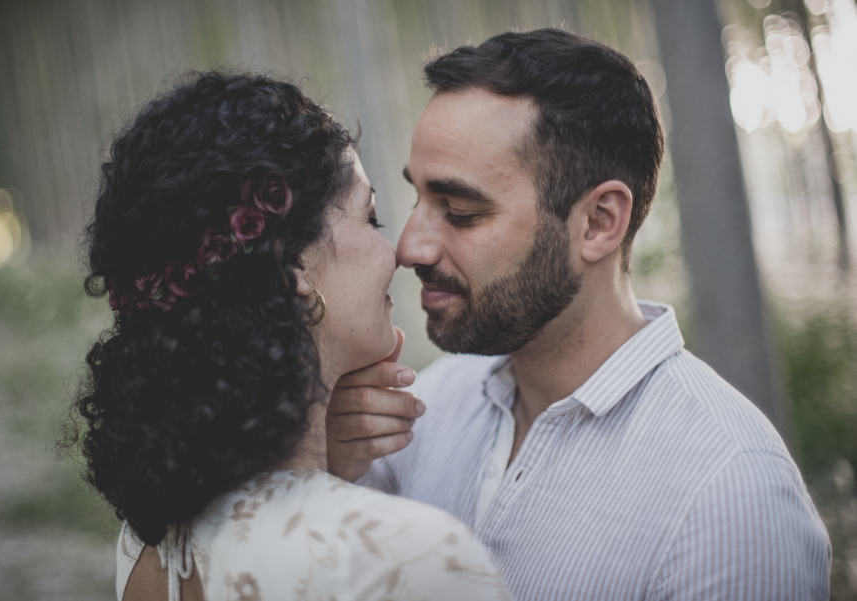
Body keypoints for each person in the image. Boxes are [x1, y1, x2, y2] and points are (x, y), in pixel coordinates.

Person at [326, 29, 831, 600]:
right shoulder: (419, 413)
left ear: (598, 222)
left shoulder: (729, 494)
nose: (409, 247)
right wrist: (330, 466)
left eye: (460, 211)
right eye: (417, 198)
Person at [69, 71, 513, 601]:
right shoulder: (405, 557)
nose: (398, 252)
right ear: (294, 265)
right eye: (371, 218)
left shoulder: (148, 542)